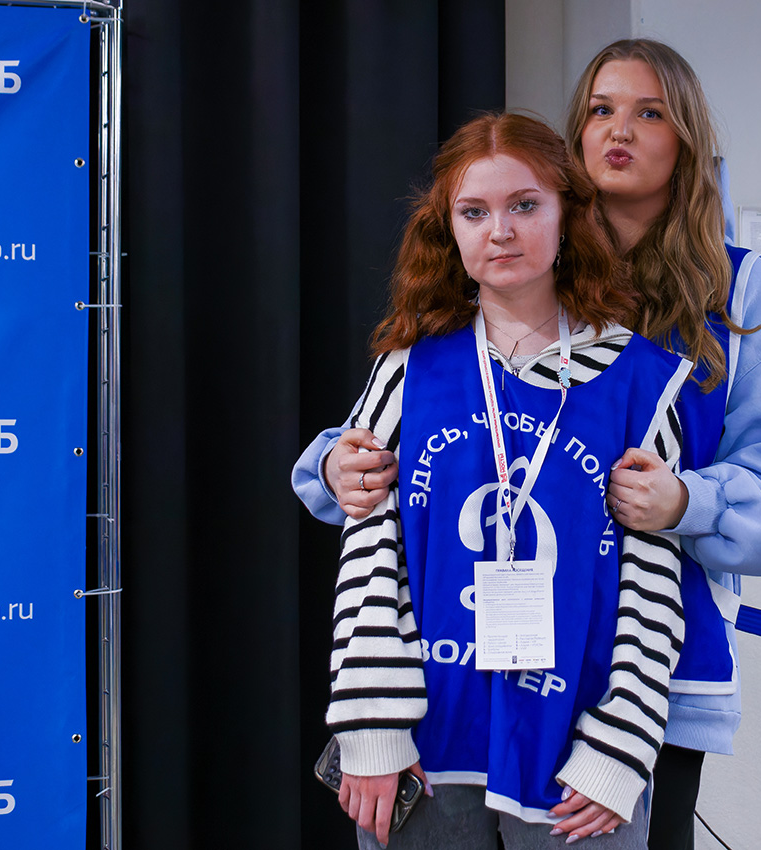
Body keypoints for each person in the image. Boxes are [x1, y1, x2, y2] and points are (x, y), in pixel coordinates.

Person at [303, 40, 761, 850]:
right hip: (461, 682)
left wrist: (684, 501)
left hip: (645, 676)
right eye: (601, 110)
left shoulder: (730, 290)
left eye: (650, 112)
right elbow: (389, 473)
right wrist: (334, 464)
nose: (621, 130)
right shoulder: (479, 298)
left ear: (687, 136)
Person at [295, 112, 692, 849]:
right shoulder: (411, 367)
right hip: (425, 741)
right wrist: (372, 730)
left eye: (525, 206)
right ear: (448, 230)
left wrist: (620, 747)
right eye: (474, 212)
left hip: (576, 749)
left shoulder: (640, 381)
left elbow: (653, 579)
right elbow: (370, 552)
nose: (500, 231)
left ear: (568, 215)